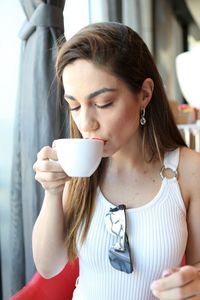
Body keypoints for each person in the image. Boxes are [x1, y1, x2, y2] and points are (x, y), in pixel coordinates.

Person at [32, 22, 200, 299]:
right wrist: (52, 192)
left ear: (144, 94)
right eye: (74, 106)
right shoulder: (79, 170)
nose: (86, 123)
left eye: (103, 103)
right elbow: (48, 267)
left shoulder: (189, 171)